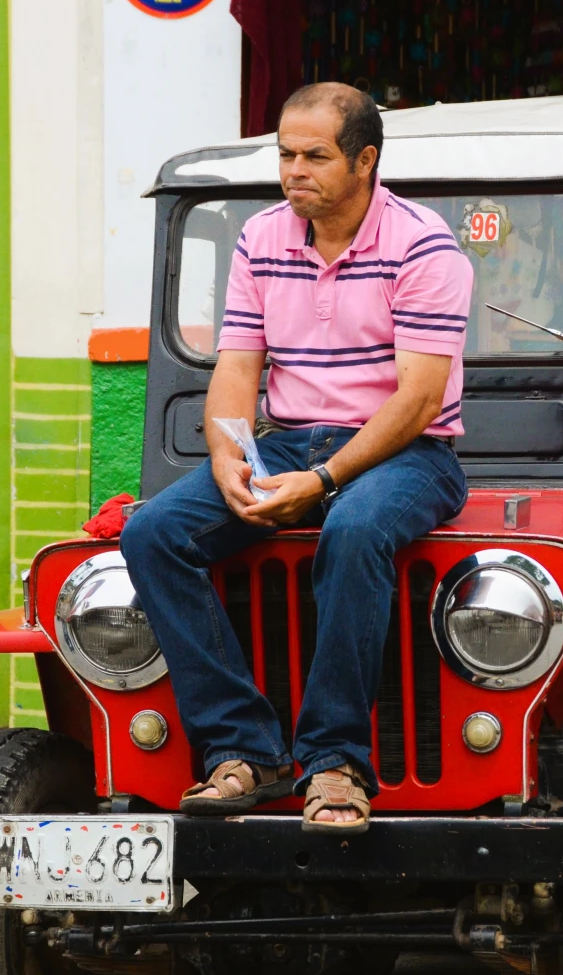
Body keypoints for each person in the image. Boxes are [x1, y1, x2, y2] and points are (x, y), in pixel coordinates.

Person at [121, 82, 472, 834]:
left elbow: (417, 399)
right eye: (285, 154)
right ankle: (242, 751)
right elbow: (238, 369)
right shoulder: (261, 239)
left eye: (315, 155)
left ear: (365, 160)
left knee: (354, 530)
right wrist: (225, 454)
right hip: (289, 439)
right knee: (152, 532)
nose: (294, 170)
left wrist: (323, 481)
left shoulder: (424, 245)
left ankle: (336, 764)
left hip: (410, 452)